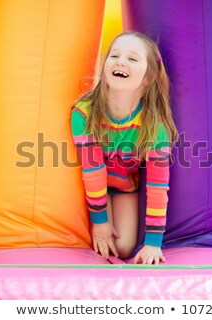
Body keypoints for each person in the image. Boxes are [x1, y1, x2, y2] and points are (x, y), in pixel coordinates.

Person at [71, 32, 178, 264]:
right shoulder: (84, 112)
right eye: (115, 55)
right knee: (97, 238)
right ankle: (99, 214)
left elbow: (158, 186)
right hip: (88, 182)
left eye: (132, 58)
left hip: (124, 186)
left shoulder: (155, 126)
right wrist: (100, 223)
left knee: (123, 246)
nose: (120, 61)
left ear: (149, 77)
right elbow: (93, 170)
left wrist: (153, 243)